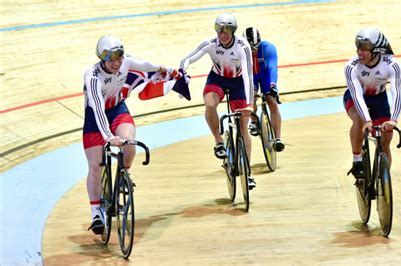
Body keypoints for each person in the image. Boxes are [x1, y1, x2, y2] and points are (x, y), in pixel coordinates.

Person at [83, 35, 181, 234]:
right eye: (111, 60)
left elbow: (143, 64)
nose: (117, 63)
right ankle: (96, 213)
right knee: (95, 165)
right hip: (96, 117)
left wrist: (161, 68)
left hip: (118, 109)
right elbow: (98, 108)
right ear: (102, 59)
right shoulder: (92, 76)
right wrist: (109, 136)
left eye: (119, 58)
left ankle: (124, 173)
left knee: (129, 144)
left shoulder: (125, 62)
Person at [179, 13, 256, 189]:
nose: (224, 33)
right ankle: (218, 141)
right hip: (217, 79)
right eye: (220, 29)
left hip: (238, 83)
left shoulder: (243, 46)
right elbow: (187, 59)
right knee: (210, 104)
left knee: (243, 129)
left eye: (228, 29)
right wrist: (183, 73)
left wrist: (250, 103)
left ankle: (248, 172)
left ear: (234, 31)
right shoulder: (211, 44)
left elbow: (248, 76)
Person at [343, 28, 401, 179]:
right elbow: (357, 96)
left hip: (379, 99)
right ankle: (357, 160)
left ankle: (383, 181)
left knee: (385, 142)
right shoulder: (351, 66)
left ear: (376, 51)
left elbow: (397, 93)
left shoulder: (392, 65)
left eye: (364, 49)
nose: (359, 52)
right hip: (355, 96)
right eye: (358, 48)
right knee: (358, 120)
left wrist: (393, 120)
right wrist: (367, 120)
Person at [243, 27, 285, 152]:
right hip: (252, 77)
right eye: (251, 48)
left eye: (257, 46)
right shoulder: (240, 51)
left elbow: (272, 68)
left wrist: (273, 85)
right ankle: (254, 120)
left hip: (266, 75)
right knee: (250, 99)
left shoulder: (268, 48)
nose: (254, 50)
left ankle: (278, 139)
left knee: (271, 101)